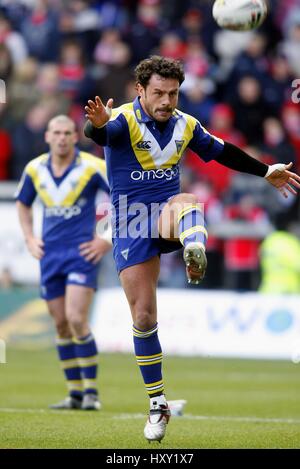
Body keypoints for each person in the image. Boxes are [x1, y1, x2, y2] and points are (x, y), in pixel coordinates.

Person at [83, 56, 300, 442]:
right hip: (130, 222)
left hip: (168, 214)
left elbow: (224, 152)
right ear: (140, 91)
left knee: (187, 200)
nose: (167, 101)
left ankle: (193, 248)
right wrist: (96, 123)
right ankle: (157, 403)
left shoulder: (187, 125)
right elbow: (100, 133)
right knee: (144, 317)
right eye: (159, 93)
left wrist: (266, 171)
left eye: (173, 93)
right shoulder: (123, 121)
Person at [15, 115, 111, 411]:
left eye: (67, 133)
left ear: (75, 137)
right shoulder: (34, 169)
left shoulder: (93, 167)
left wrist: (104, 239)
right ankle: (74, 393)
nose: (61, 138)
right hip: (50, 255)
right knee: (60, 324)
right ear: (47, 136)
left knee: (76, 318)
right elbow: (23, 203)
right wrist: (30, 238)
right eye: (56, 132)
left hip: (81, 252)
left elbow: (121, 198)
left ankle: (92, 392)